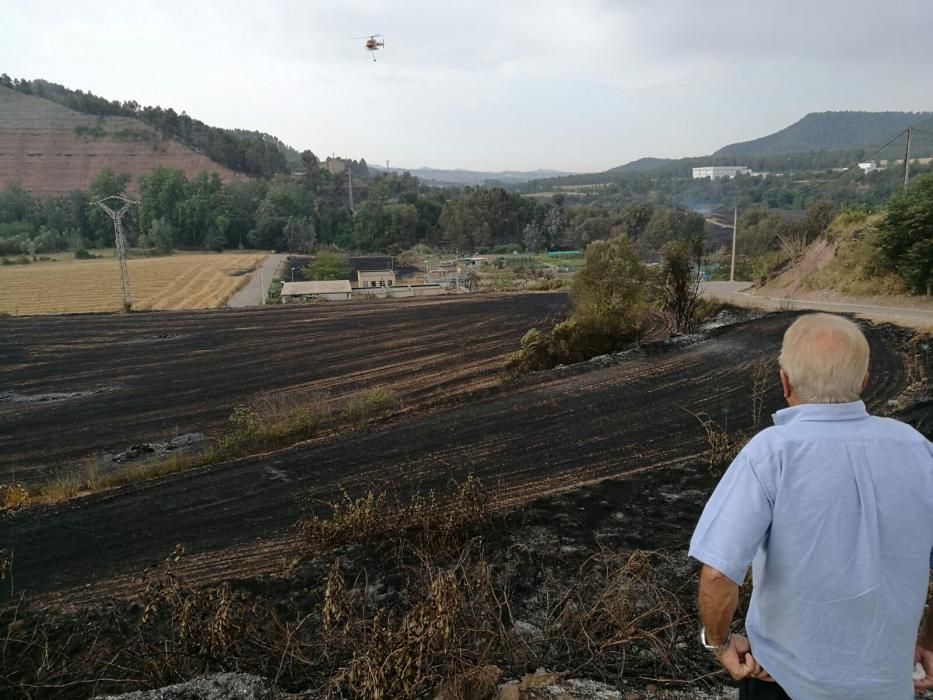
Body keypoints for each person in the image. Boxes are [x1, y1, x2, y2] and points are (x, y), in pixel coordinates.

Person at [689, 313, 933, 699]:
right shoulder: (918, 450)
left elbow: (719, 574)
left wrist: (717, 642)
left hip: (783, 682)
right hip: (887, 683)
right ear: (864, 382)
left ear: (785, 381)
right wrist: (929, 641)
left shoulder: (772, 451)